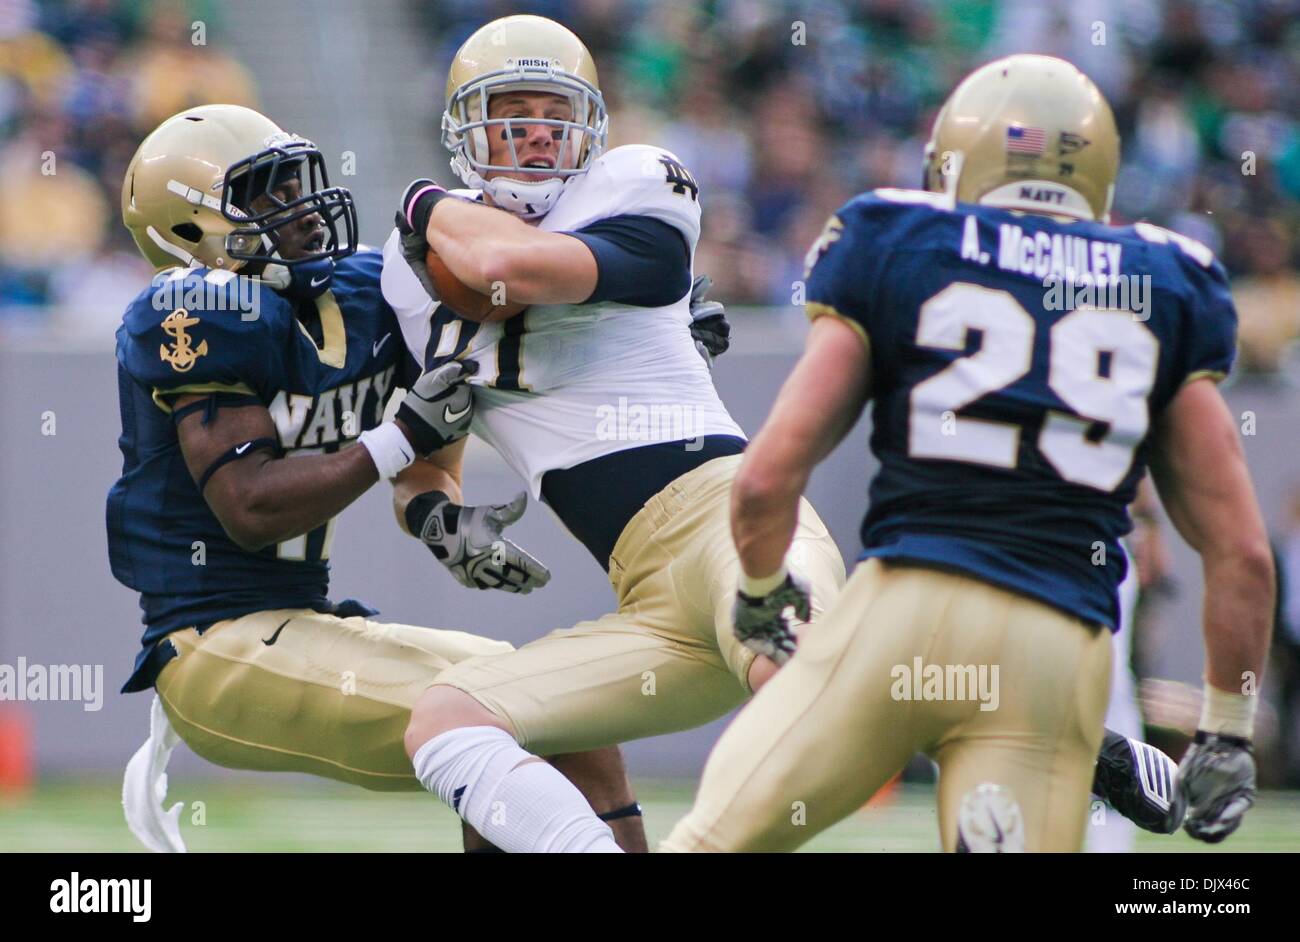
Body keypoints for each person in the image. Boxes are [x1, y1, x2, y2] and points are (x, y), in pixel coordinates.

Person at [383, 20, 1183, 853]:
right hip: (646, 601)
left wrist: (424, 204)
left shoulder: (633, 182)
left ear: (591, 124)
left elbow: (514, 270)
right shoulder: (405, 274)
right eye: (514, 112)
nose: (539, 133)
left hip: (725, 521)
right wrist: (437, 519)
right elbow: (428, 456)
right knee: (448, 721)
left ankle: (1069, 737)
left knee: (799, 673)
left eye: (556, 112)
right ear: (464, 127)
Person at [661, 54, 1273, 852]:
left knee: (710, 843)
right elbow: (1243, 556)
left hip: (903, 613)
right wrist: (1225, 730)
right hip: (1057, 649)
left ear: (954, 160)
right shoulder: (1164, 279)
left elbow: (769, 475)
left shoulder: (898, 237)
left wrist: (763, 590)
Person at [108, 104, 641, 852]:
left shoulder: (361, 291)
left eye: (295, 180)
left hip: (308, 620)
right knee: (485, 711)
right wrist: (396, 440)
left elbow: (443, 425)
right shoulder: (194, 309)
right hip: (212, 646)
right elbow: (251, 506)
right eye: (264, 193)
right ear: (192, 232)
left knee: (567, 708)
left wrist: (435, 513)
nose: (301, 206)